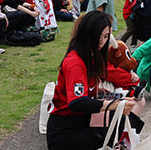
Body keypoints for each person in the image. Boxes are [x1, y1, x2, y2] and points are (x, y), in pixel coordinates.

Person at [46, 11, 143, 150]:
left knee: (124, 121)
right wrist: (113, 104)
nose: (102, 41)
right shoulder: (75, 62)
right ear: (87, 33)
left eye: (106, 37)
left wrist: (103, 94)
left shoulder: (91, 55)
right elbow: (77, 102)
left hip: (81, 121)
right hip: (65, 133)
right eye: (99, 36)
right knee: (116, 128)